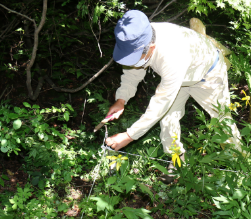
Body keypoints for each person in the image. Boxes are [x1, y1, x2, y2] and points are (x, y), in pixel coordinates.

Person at [104, 10, 242, 183]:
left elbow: (161, 102)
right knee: (168, 119)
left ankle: (240, 166)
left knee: (221, 119)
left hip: (209, 74)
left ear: (151, 47)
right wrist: (121, 99)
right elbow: (132, 72)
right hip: (182, 75)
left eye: (134, 57)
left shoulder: (172, 55)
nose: (132, 61)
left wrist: (130, 135)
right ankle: (177, 161)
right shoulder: (138, 38)